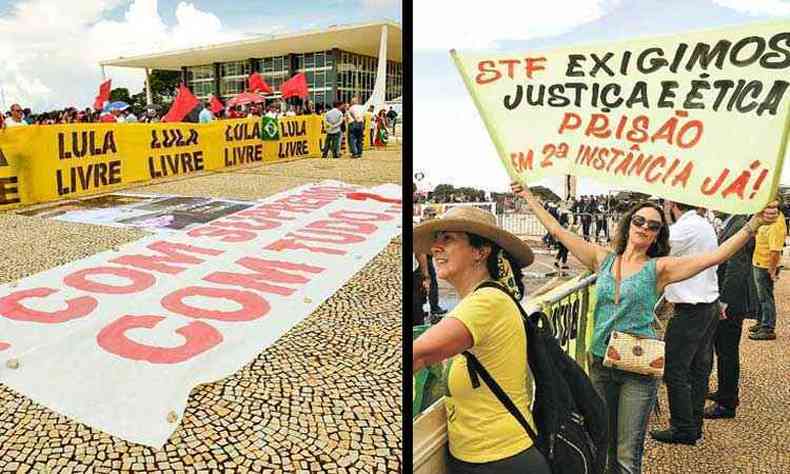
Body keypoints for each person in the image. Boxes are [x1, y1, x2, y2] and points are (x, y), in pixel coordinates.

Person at [511, 182, 778, 473]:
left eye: (653, 226)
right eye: (639, 221)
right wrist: (528, 197)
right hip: (600, 363)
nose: (644, 228)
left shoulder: (660, 268)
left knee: (627, 454)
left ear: (657, 236)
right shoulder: (602, 259)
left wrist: (753, 223)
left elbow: (715, 257)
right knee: (604, 445)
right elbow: (560, 232)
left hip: (637, 369)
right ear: (628, 225)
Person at [413, 206, 549, 474]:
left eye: (448, 239)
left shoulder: (486, 303)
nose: (436, 248)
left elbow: (418, 354)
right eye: (437, 238)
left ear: (480, 252)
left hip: (500, 460)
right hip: (486, 456)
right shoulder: (484, 299)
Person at [704, 213, 758, 419]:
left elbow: (736, 269)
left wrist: (723, 302)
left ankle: (727, 403)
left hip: (730, 303)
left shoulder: (739, 225)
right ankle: (724, 393)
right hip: (729, 300)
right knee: (724, 350)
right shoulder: (733, 224)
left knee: (727, 352)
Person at [749, 194, 787, 341]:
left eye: (772, 205)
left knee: (766, 298)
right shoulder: (767, 218)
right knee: (760, 297)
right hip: (758, 262)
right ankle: (760, 322)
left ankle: (768, 328)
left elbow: (775, 251)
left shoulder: (777, 223)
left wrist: (772, 270)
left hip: (765, 265)